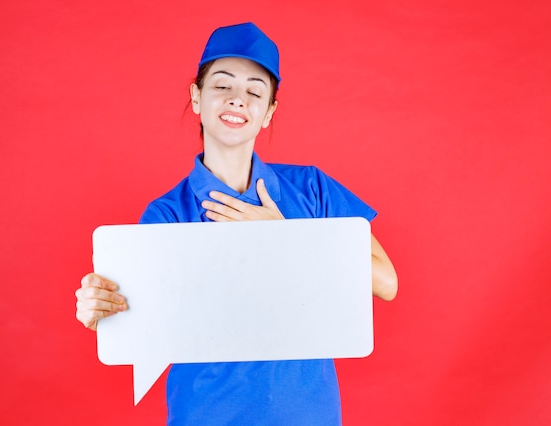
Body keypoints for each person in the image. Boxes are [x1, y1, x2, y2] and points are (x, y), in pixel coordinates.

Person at [75, 22, 398, 425]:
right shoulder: (167, 216)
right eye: (222, 85)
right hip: (207, 414)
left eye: (255, 91)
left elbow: (386, 282)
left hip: (307, 415)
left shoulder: (312, 190)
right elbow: (137, 321)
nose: (237, 100)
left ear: (269, 113)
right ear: (196, 97)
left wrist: (286, 238)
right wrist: (101, 309)